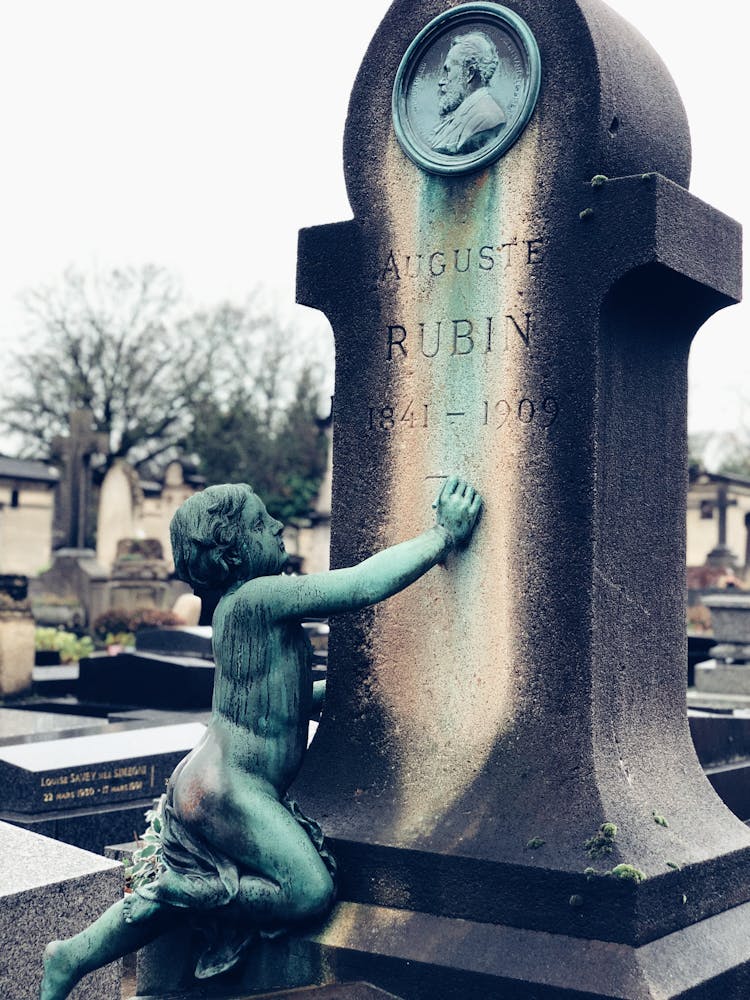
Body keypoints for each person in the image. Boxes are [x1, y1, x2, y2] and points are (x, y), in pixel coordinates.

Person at [40, 475, 482, 999]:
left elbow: (285, 701)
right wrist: (441, 537)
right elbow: (361, 586)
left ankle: (72, 955)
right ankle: (193, 893)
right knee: (308, 890)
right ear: (231, 557)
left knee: (168, 900)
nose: (276, 525)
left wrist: (353, 695)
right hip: (227, 786)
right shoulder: (257, 597)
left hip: (218, 781)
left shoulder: (246, 610)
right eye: (259, 521)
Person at [431, 31, 506, 155]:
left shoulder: (487, 118)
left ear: (469, 73)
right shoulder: (461, 114)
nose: (441, 81)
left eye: (448, 71)